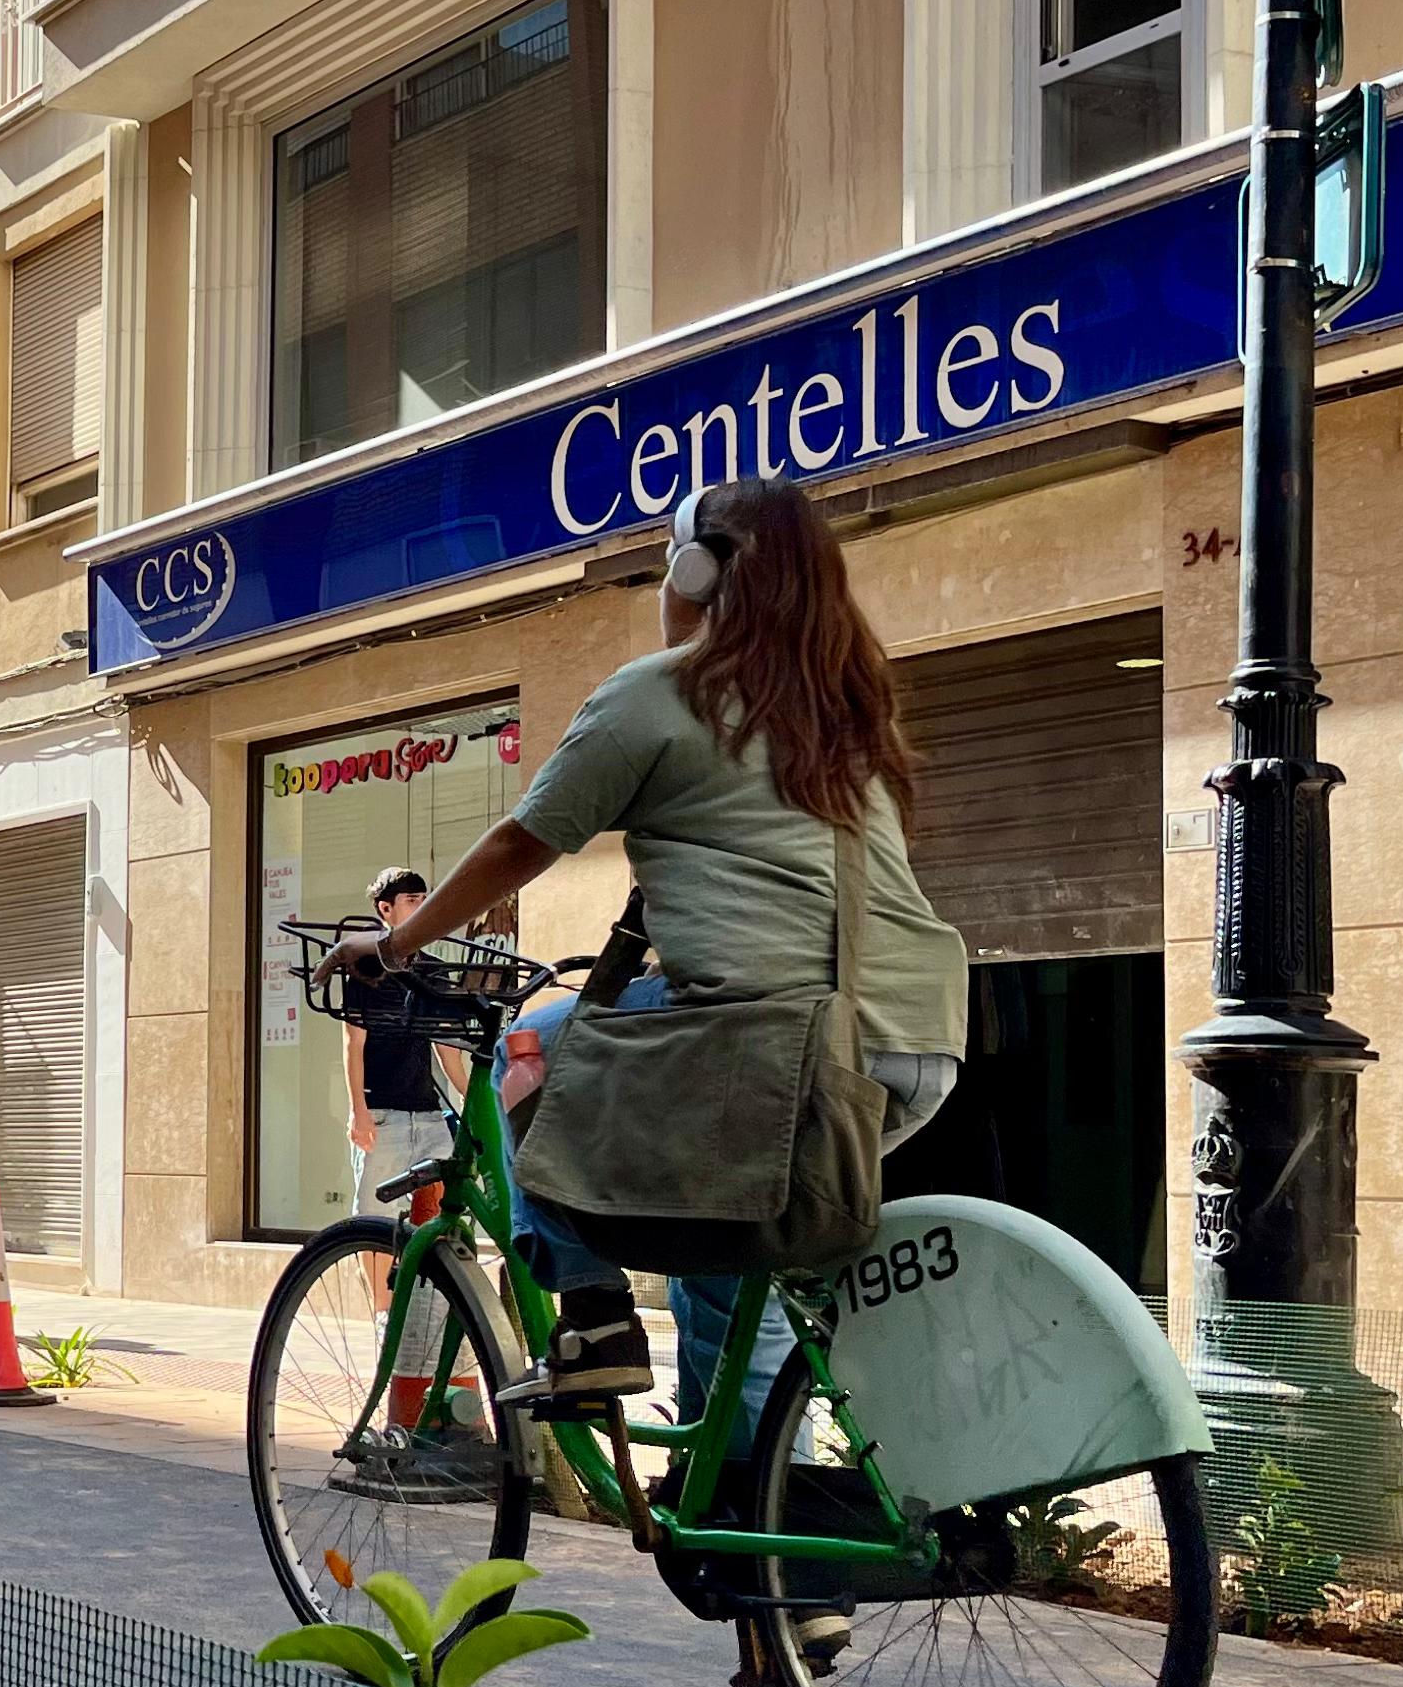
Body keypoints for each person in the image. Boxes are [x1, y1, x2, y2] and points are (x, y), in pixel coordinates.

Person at [346, 473, 969, 1416]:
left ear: (694, 570)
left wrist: (397, 948)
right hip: (912, 1042)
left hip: (778, 1043)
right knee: (718, 1244)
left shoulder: (661, 692)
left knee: (535, 1046)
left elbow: (524, 841)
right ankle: (754, 1503)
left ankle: (593, 1317)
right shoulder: (842, 713)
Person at [344, 866, 468, 1216]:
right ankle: (379, 1274)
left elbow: (448, 1051)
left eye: (425, 900)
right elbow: (354, 1045)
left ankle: (425, 1274)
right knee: (374, 1220)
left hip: (429, 1116)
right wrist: (359, 1112)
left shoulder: (434, 969)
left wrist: (472, 1103)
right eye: (412, 900)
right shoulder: (364, 967)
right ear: (385, 909)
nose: (422, 908)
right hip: (381, 1115)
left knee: (446, 1214)